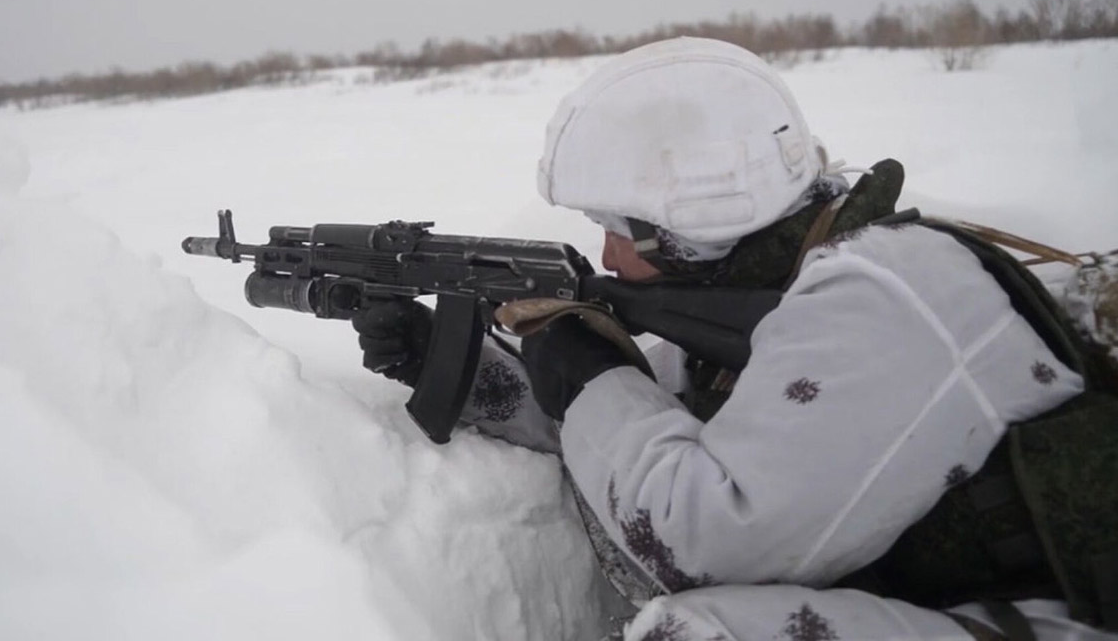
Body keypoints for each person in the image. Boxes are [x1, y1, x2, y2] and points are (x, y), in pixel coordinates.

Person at [353, 37, 1117, 640]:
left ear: (691, 227)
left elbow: (700, 540)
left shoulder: (890, 297)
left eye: (621, 231)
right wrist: (455, 365)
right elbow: (637, 432)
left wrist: (586, 369)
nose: (609, 256)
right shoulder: (776, 285)